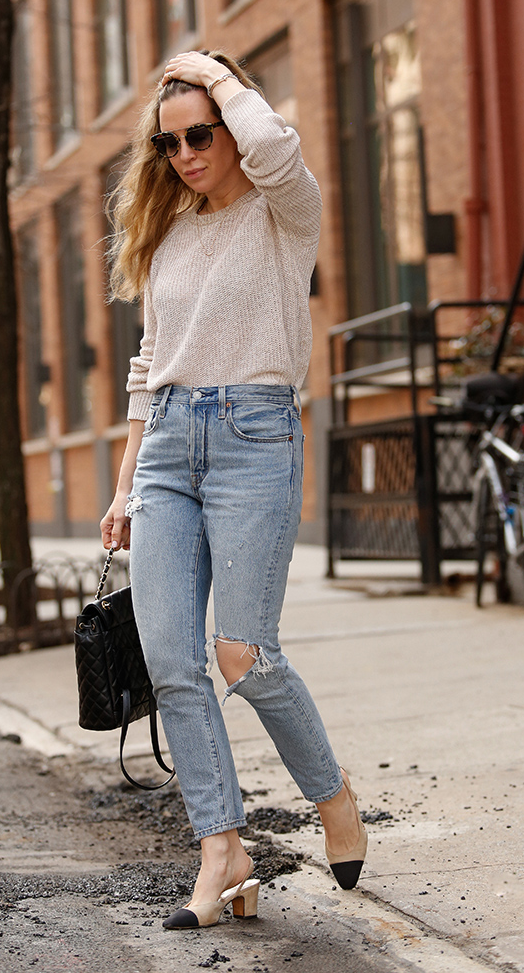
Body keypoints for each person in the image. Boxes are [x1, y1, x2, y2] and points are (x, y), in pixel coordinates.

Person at [101, 49, 367, 930]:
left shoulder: (287, 212)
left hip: (256, 437)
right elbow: (147, 369)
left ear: (229, 118)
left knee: (243, 655)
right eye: (170, 142)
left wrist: (209, 72)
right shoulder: (169, 235)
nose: (185, 153)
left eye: (200, 133)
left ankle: (332, 796)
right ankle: (224, 849)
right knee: (174, 660)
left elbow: (277, 147)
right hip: (169, 450)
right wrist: (123, 485)